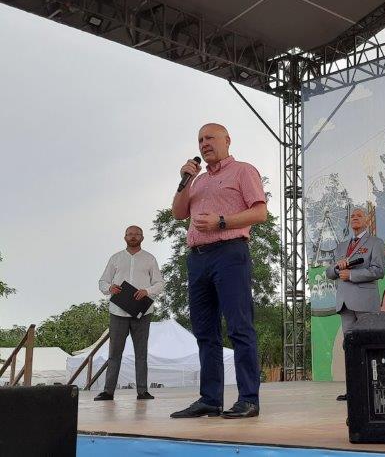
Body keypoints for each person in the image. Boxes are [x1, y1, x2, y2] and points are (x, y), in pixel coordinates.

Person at [170, 123, 267, 419]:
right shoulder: (196, 181)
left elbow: (260, 212)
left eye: (210, 137)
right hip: (197, 258)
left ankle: (248, 399)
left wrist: (222, 221)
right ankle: (210, 399)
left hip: (229, 253)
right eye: (200, 139)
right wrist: (185, 181)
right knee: (204, 331)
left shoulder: (243, 171)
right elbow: (178, 213)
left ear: (227, 140)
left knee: (239, 327)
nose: (204, 143)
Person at [95, 225, 164, 401]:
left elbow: (159, 283)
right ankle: (108, 391)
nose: (133, 237)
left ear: (142, 237)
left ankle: (142, 391)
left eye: (137, 234)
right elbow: (102, 281)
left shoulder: (150, 259)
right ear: (125, 237)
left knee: (141, 353)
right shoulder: (115, 258)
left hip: (142, 312)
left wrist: (147, 291)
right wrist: (110, 288)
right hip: (118, 312)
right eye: (130, 234)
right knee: (114, 353)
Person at [325, 207, 385, 401]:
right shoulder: (341, 246)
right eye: (352, 216)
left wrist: (351, 274)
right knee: (350, 346)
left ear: (367, 220)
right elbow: (329, 272)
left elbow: (379, 270)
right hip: (344, 303)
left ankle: (373, 388)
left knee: (369, 344)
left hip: (366, 302)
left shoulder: (376, 242)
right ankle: (354, 390)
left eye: (359, 215)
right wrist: (337, 267)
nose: (355, 218)